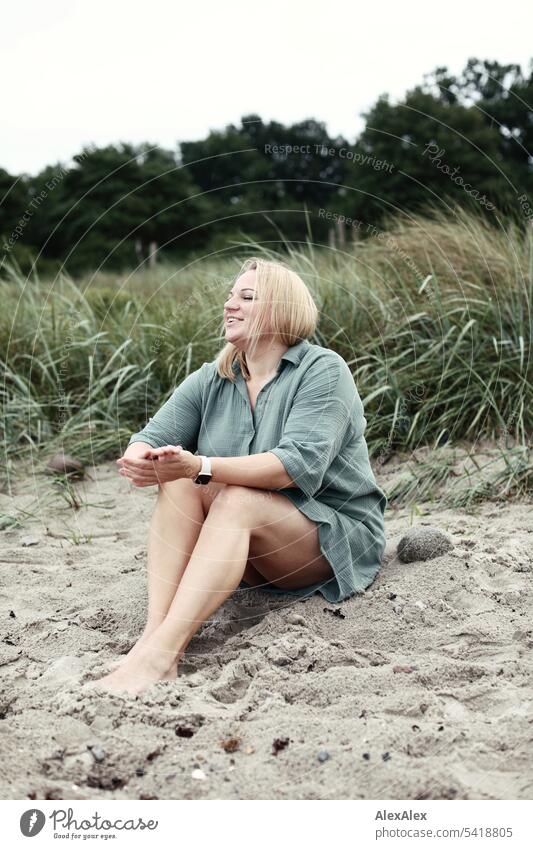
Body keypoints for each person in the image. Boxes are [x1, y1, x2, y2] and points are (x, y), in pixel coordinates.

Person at [88, 257, 387, 696]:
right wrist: (142, 459)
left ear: (281, 310)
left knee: (232, 495)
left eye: (246, 297)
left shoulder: (322, 370)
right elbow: (151, 436)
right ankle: (152, 639)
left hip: (328, 537)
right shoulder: (213, 377)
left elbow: (294, 466)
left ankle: (162, 657)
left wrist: (201, 466)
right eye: (230, 296)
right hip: (249, 549)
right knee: (179, 480)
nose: (230, 305)